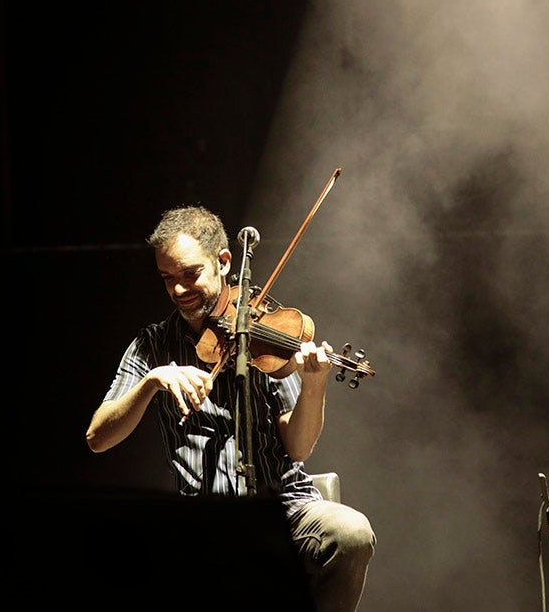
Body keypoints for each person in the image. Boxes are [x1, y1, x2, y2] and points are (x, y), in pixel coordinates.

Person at [86, 204, 375, 612]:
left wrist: (314, 385)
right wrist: (153, 380)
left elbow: (298, 447)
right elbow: (98, 437)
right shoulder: (153, 345)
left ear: (224, 262)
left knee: (351, 532)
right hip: (204, 521)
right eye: (168, 280)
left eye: (190, 275)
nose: (179, 291)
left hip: (284, 511)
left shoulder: (263, 327)